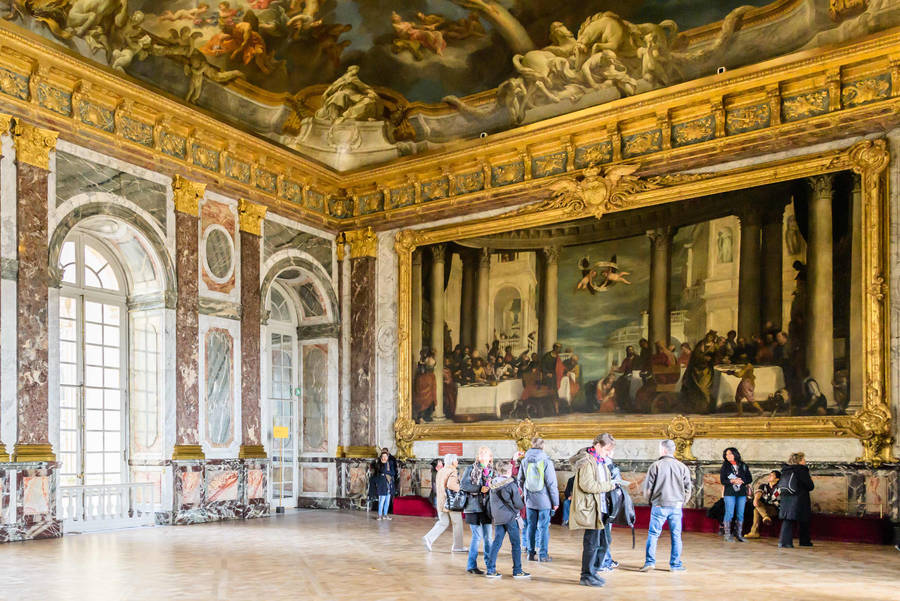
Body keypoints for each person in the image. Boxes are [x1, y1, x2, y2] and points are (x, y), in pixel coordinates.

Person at [569, 433, 624, 587]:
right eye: (606, 450)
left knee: (603, 541)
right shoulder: (587, 461)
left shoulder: (600, 461)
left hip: (601, 507)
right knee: (591, 543)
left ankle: (593, 572)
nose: (608, 453)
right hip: (591, 508)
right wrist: (610, 485)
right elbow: (588, 485)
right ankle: (586, 575)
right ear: (598, 445)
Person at [640, 439, 693, 572]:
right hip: (676, 506)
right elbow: (688, 488)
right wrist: (682, 501)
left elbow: (648, 488)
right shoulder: (682, 467)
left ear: (663, 450)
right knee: (676, 536)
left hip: (659, 505)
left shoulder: (656, 466)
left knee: (653, 534)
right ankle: (675, 565)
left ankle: (649, 563)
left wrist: (651, 501)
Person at [484, 462, 530, 579]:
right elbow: (518, 504)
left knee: (497, 543)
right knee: (516, 544)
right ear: (509, 471)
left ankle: (491, 569)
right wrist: (522, 498)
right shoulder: (510, 484)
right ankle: (517, 570)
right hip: (510, 518)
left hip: (498, 518)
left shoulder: (493, 484)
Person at [518, 437, 559, 562]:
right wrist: (555, 502)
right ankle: (542, 555)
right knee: (543, 528)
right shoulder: (547, 461)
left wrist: (526, 493)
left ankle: (530, 553)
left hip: (530, 500)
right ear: (543, 447)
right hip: (544, 500)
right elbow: (551, 484)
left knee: (530, 526)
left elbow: (520, 480)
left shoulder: (524, 461)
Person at [459, 447, 495, 574]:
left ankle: (490, 564)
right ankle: (471, 566)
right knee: (477, 536)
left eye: (485, 453)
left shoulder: (493, 471)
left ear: (490, 457)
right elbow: (463, 485)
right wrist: (480, 488)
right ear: (478, 457)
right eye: (480, 453)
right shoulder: (470, 469)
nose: (482, 455)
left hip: (487, 508)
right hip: (473, 507)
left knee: (488, 537)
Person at [423, 454, 465, 552]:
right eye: (456, 460)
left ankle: (429, 538)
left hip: (441, 501)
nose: (457, 462)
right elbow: (451, 485)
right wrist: (462, 489)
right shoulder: (453, 471)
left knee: (443, 522)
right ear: (453, 462)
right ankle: (458, 546)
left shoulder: (440, 471)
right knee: (457, 523)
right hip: (451, 502)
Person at [778, 452, 815, 548]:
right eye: (803, 459)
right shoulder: (801, 470)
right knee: (803, 519)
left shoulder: (785, 470)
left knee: (788, 519)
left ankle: (785, 541)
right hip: (799, 498)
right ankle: (800, 541)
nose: (805, 461)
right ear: (799, 461)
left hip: (786, 497)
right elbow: (810, 486)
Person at [720, 447, 753, 542]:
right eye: (726, 454)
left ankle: (739, 534)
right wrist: (732, 480)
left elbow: (749, 478)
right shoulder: (725, 466)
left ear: (735, 454)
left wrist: (742, 480)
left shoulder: (743, 465)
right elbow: (723, 480)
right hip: (730, 492)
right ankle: (727, 534)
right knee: (729, 513)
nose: (728, 456)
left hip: (741, 492)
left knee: (740, 514)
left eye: (730, 454)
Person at [746, 470, 781, 539]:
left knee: (756, 510)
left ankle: (754, 532)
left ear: (777, 479)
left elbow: (775, 499)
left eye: (772, 475)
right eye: (769, 475)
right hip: (764, 508)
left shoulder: (780, 488)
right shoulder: (764, 486)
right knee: (756, 505)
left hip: (775, 509)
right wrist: (756, 499)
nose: (769, 476)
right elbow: (759, 493)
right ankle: (765, 517)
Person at [373, 449, 396, 521]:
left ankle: (385, 515)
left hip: (389, 484)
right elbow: (382, 471)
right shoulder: (379, 464)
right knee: (382, 500)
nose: (384, 458)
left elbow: (393, 473)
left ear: (388, 457)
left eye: (386, 456)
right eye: (383, 456)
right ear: (381, 457)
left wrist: (386, 472)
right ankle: (380, 515)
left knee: (387, 501)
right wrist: (385, 466)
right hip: (382, 484)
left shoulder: (390, 463)